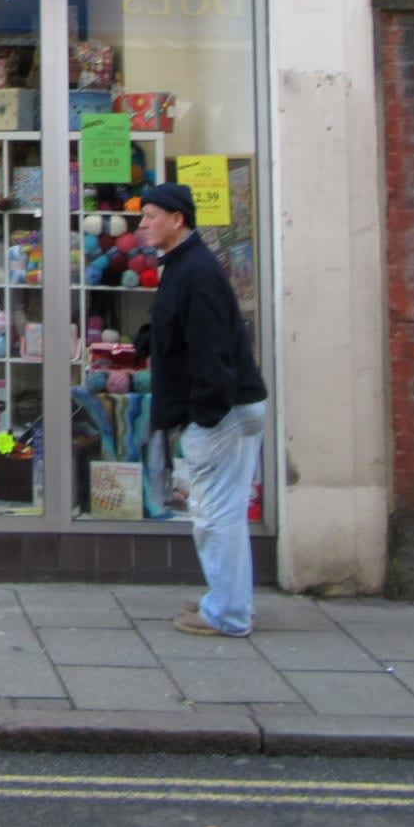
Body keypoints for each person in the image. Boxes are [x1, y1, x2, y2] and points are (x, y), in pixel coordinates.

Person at [135, 181, 268, 637]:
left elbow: (213, 350)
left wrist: (204, 413)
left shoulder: (197, 270)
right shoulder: (182, 265)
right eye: (143, 215)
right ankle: (227, 598)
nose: (143, 223)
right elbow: (179, 327)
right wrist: (148, 341)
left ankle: (228, 614)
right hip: (223, 409)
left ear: (178, 219)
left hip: (222, 412)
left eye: (152, 215)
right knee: (219, 513)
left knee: (214, 515)